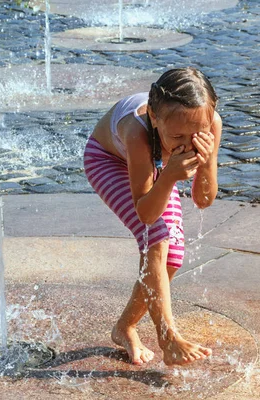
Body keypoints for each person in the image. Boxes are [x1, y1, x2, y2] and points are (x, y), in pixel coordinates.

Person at [83, 67, 222, 366]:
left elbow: (203, 199)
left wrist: (207, 159)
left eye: (197, 133)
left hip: (157, 168)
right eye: (178, 136)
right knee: (157, 237)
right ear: (156, 119)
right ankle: (168, 338)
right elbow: (146, 214)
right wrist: (169, 176)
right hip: (108, 161)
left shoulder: (210, 126)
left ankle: (124, 327)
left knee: (172, 258)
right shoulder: (137, 131)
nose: (188, 143)